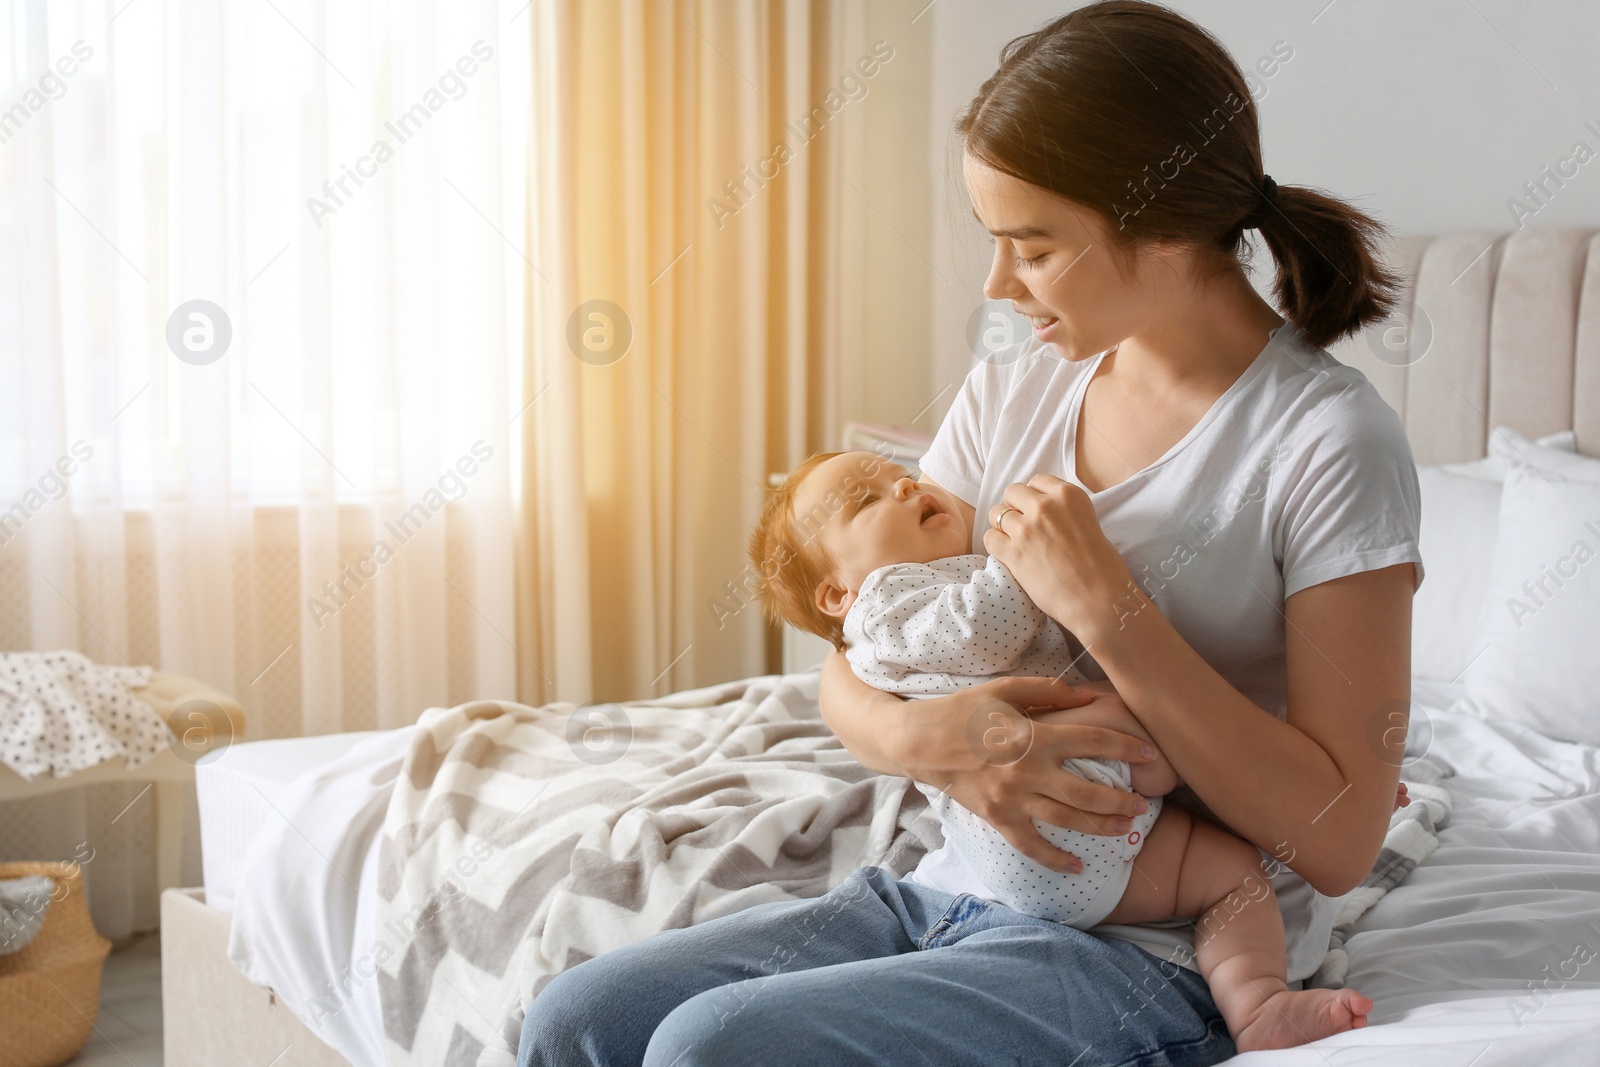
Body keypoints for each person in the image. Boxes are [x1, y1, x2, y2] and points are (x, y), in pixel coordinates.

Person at [517, 2, 1421, 1063]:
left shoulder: (1324, 440)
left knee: (711, 1046)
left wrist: (1111, 609)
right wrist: (927, 741)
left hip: (1164, 939)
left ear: (1162, 222)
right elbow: (859, 661)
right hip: (956, 883)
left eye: (1030, 247)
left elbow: (1341, 837)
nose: (997, 285)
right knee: (575, 1017)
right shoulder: (1011, 396)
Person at [738, 447, 1373, 1050]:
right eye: (865, 500)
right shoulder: (883, 608)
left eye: (902, 473)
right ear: (835, 597)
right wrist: (1032, 555)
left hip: (1052, 858)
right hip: (1042, 828)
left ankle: (1258, 1005)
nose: (906, 485)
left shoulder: (908, 594)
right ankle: (1257, 996)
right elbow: (983, 632)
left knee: (1231, 866)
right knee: (1209, 836)